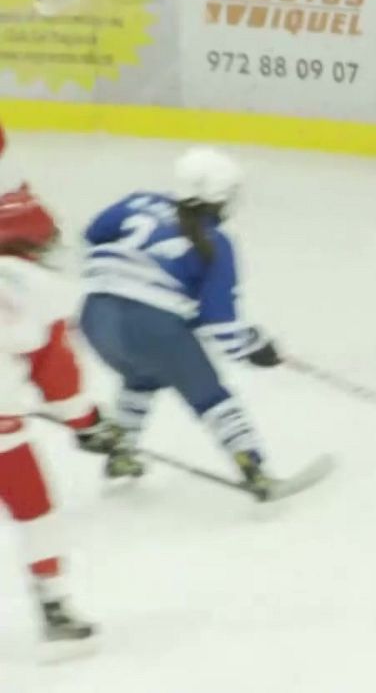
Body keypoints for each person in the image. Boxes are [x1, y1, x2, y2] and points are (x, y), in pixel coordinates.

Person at [80, 147, 294, 500]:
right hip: (155, 328)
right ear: (222, 197)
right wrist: (256, 349)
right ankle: (253, 467)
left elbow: (93, 234)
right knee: (211, 397)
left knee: (140, 376)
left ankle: (121, 453)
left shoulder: (137, 202)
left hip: (94, 317)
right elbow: (220, 325)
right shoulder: (216, 242)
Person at [0, 185, 124, 649]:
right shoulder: (40, 289)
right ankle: (53, 606)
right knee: (36, 513)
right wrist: (86, 421)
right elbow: (58, 378)